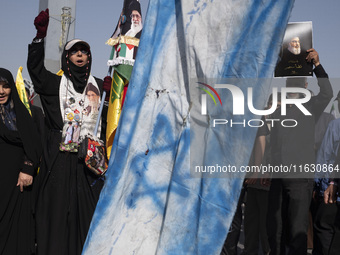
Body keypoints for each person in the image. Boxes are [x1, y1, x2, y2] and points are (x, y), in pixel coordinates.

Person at [27, 9, 110, 255]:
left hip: (87, 161)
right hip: (59, 158)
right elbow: (36, 74)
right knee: (56, 211)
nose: (80, 55)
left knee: (86, 211)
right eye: (75, 51)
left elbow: (107, 121)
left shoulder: (98, 87)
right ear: (67, 58)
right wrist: (39, 39)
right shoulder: (55, 84)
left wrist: (110, 96)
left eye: (84, 51)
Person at [268, 48, 333, 255]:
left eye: (298, 83)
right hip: (278, 177)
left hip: (299, 179)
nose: (294, 86)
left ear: (306, 85)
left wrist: (317, 66)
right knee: (275, 230)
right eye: (290, 82)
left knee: (297, 233)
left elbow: (327, 93)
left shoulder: (311, 106)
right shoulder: (278, 109)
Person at [0, 68, 42, 254]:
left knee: (15, 229)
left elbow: (33, 143)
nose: (1, 91)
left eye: (6, 86)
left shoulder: (21, 114)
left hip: (17, 181)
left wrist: (28, 168)